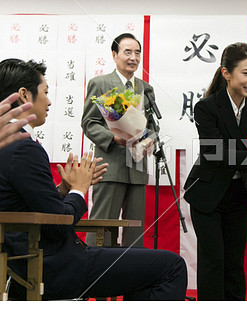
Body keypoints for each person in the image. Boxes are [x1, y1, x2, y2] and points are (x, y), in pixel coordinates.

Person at [0, 58, 187, 300]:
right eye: (45, 92)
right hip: (51, 266)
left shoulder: (11, 144)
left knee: (142, 263)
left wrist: (63, 190)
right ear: (25, 95)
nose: (49, 101)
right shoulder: (23, 146)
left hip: (25, 260)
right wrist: (79, 189)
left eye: (137, 52)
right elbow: (57, 225)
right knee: (171, 266)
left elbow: (24, 204)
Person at [183, 42, 247, 300]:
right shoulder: (206, 107)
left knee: (234, 264)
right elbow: (214, 152)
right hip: (207, 194)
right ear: (226, 73)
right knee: (213, 262)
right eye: (246, 73)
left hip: (238, 192)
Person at [82, 33, 155, 247]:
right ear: (114, 55)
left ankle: (131, 276)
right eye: (127, 52)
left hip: (138, 166)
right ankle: (94, 274)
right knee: (102, 228)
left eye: (137, 53)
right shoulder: (101, 83)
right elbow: (89, 122)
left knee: (135, 231)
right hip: (109, 166)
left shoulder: (145, 88)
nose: (133, 57)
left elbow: (151, 125)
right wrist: (113, 137)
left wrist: (150, 139)